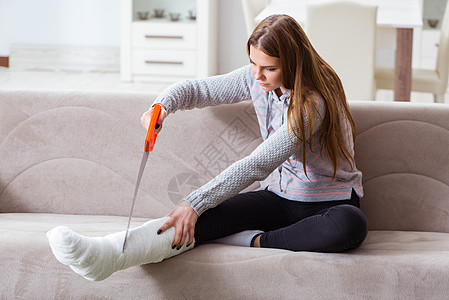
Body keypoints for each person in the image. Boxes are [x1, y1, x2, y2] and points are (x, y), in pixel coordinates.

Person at [46, 14, 368, 281]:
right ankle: (109, 254)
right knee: (196, 219)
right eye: (253, 63)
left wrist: (194, 201)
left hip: (327, 205)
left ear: (294, 63)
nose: (257, 75)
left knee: (351, 225)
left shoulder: (313, 103)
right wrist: (162, 106)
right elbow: (200, 89)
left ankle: (256, 240)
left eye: (268, 68)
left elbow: (259, 164)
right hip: (279, 199)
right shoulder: (255, 77)